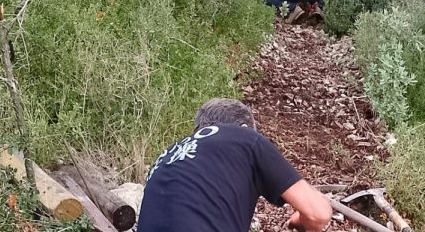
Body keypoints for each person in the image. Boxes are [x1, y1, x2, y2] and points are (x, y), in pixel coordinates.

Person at [137, 98, 333, 232]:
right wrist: (298, 221)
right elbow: (318, 213)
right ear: (246, 128)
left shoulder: (166, 156)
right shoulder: (246, 138)